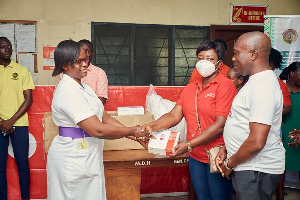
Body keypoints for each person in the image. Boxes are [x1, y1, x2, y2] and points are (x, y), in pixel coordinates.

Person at [47, 40, 149, 200]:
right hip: (72, 157)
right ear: (65, 65)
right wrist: (131, 130)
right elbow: (98, 129)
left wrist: (135, 137)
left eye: (85, 59)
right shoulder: (67, 91)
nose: (85, 64)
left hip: (87, 154)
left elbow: (104, 117)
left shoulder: (84, 87)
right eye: (78, 61)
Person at [144, 40, 237, 200]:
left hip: (217, 154)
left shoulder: (225, 86)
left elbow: (220, 125)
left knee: (219, 197)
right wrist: (150, 127)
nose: (204, 63)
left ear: (219, 63)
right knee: (202, 197)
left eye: (210, 59)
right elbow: (173, 116)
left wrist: (188, 145)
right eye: (200, 58)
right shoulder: (190, 88)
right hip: (195, 155)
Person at [216, 31, 285, 200]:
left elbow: (256, 142)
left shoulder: (263, 87)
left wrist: (229, 164)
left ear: (253, 54)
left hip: (256, 169)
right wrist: (226, 148)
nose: (233, 58)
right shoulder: (254, 81)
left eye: (237, 52)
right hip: (250, 167)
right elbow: (241, 122)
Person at [0, 37, 35, 200]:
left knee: (23, 165)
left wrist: (10, 121)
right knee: (0, 167)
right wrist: (2, 122)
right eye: (3, 47)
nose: (7, 49)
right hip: (0, 124)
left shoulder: (22, 71)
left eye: (9, 46)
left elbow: (28, 100)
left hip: (19, 124)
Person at [269, 47, 292, 200]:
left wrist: (267, 111)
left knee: (277, 162)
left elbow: (287, 108)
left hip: (274, 129)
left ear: (272, 64)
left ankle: (279, 194)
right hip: (249, 129)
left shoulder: (280, 85)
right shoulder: (248, 82)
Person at [57, 39, 108, 104]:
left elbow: (101, 100)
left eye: (88, 51)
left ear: (92, 53)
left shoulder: (99, 73)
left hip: (91, 112)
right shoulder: (65, 72)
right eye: (81, 52)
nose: (85, 54)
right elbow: (59, 97)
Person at [279, 61, 300, 196]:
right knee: (281, 164)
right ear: (292, 74)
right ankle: (279, 195)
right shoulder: (281, 88)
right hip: (284, 130)